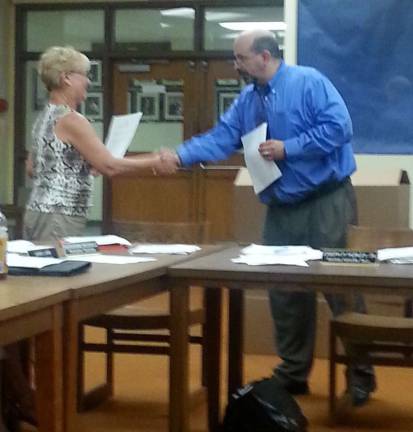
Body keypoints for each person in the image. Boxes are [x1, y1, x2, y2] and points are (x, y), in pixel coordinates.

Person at [158, 30, 376, 405]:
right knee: (283, 289)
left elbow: (340, 129)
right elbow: (223, 136)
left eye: (240, 58)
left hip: (327, 201)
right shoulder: (248, 100)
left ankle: (361, 374)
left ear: (263, 55)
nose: (236, 64)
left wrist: (288, 148)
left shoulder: (309, 82)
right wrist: (179, 156)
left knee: (342, 288)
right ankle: (293, 374)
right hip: (282, 207)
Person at [24, 45, 175, 242]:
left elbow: (32, 168)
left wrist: (83, 168)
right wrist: (155, 160)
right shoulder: (72, 120)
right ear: (66, 78)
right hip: (59, 216)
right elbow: (110, 166)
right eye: (84, 75)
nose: (88, 81)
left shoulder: (44, 116)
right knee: (58, 269)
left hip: (37, 211)